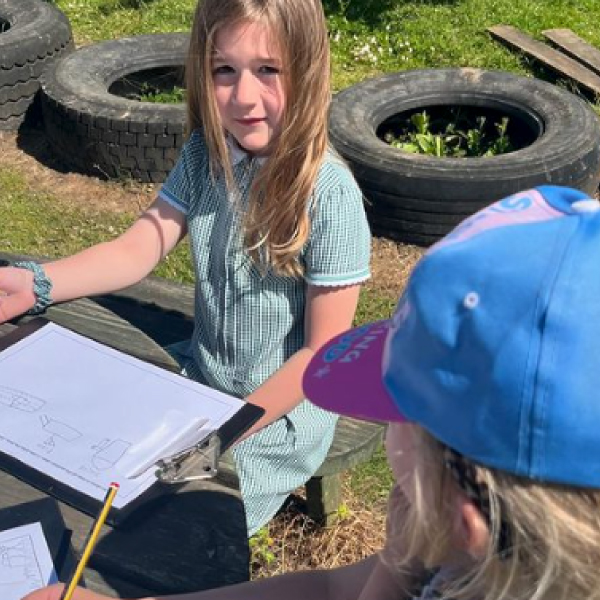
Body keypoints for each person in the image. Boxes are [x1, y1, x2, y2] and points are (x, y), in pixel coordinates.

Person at [24, 185, 600, 600]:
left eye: (392, 403)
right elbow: (331, 587)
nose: (383, 419)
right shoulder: (457, 556)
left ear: (463, 516)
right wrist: (398, 568)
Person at [0, 0, 371, 536]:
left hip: (274, 418)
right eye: (225, 70)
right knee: (76, 465)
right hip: (199, 379)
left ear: (308, 69)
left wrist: (222, 433)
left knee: (166, 531)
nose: (244, 96)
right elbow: (138, 249)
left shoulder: (330, 195)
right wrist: (37, 283)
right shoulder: (206, 154)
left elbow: (321, 356)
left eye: (268, 70)